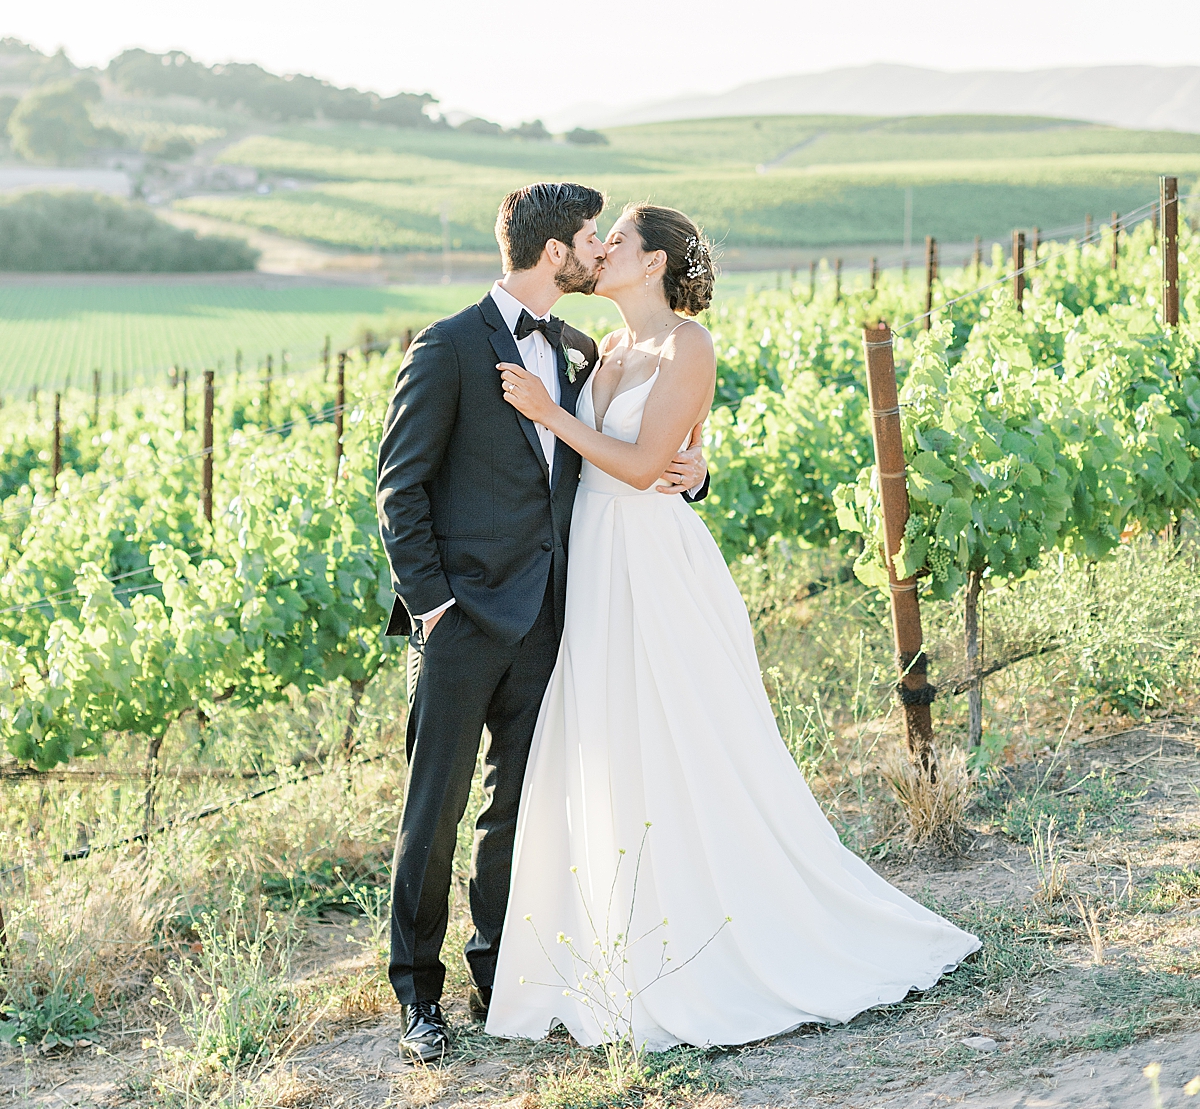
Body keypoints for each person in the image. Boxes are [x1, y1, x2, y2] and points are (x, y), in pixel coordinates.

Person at [487, 201, 980, 1051]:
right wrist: (685, 459)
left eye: (618, 243)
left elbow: (646, 468)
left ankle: (719, 934)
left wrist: (549, 413)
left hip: (653, 559)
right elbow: (660, 455)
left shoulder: (689, 347)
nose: (600, 251)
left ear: (652, 266)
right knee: (611, 738)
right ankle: (622, 938)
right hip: (596, 561)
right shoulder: (603, 348)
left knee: (688, 738)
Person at [376, 182, 709, 1064]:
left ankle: (497, 977)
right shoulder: (446, 346)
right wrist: (433, 604)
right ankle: (417, 998)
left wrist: (694, 472)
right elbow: (398, 489)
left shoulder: (581, 347)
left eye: (608, 237)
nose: (598, 250)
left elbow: (616, 461)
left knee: (514, 811)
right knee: (433, 810)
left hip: (552, 616)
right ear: (552, 250)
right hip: (459, 623)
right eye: (589, 237)